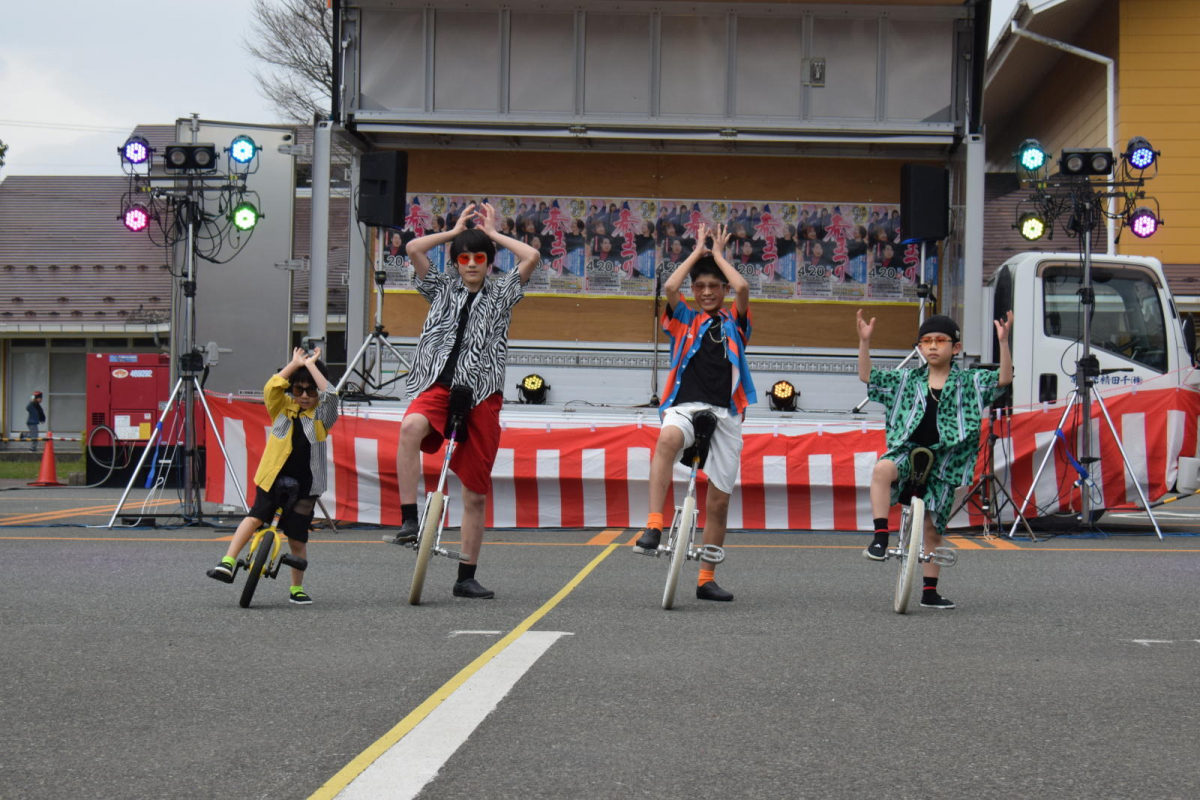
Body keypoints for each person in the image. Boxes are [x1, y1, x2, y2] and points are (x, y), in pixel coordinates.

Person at [383, 203, 540, 600]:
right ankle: (409, 519)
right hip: (437, 386)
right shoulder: (441, 287)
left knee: (475, 492)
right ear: (455, 262)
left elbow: (531, 257)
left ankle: (465, 576)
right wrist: (454, 234)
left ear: (489, 261)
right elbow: (414, 247)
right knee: (410, 427)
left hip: (482, 393)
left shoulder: (502, 292)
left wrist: (493, 234)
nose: (471, 264)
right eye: (464, 258)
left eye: (479, 257)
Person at [857, 311, 1013, 609]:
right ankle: (880, 537)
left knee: (932, 529)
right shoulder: (907, 379)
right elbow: (868, 376)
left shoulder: (969, 381)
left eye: (940, 341)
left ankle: (929, 591)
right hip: (907, 450)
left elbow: (1003, 379)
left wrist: (1003, 343)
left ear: (956, 348)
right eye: (926, 341)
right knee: (882, 469)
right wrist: (865, 342)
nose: (932, 346)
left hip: (947, 461)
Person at [633, 224, 755, 602]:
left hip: (726, 415)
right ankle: (654, 524)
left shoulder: (735, 323)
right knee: (667, 439)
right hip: (684, 407)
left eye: (713, 286)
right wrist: (697, 251)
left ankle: (706, 579)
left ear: (723, 290)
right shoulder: (684, 318)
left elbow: (743, 288)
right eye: (700, 286)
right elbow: (671, 287)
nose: (706, 292)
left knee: (719, 502)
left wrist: (717, 256)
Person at [206, 348, 337, 605]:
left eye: (311, 391)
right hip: (272, 477)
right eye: (298, 390)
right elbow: (271, 388)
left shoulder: (322, 417)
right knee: (255, 517)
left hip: (307, 486)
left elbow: (331, 396)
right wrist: (294, 364)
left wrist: (312, 366)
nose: (304, 396)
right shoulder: (281, 408)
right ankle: (228, 561)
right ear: (291, 390)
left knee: (297, 538)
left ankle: (296, 588)